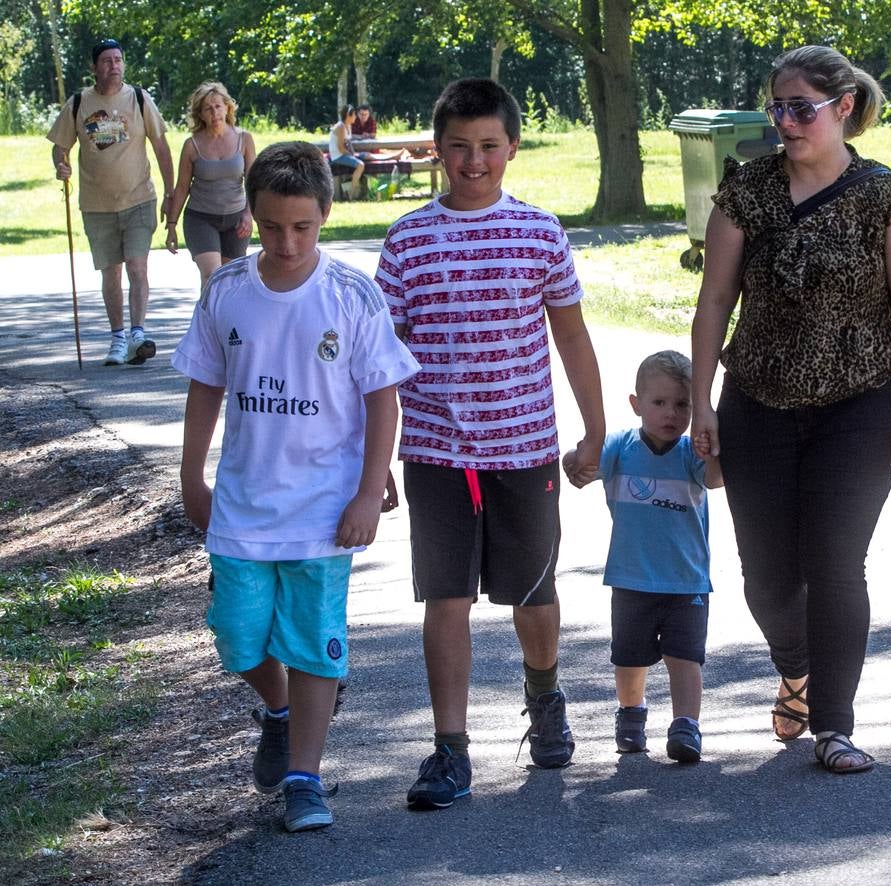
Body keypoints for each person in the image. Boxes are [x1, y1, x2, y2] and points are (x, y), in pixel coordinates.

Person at [690, 46, 891, 775]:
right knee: (765, 575)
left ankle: (835, 724)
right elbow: (714, 301)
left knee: (833, 563)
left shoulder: (887, 199)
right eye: (778, 108)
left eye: (801, 108)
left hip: (858, 405)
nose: (787, 122)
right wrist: (702, 399)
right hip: (756, 403)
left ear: (844, 109)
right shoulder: (746, 193)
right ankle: (794, 667)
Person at [173, 141, 419, 831]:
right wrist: (192, 474)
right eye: (273, 226)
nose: (287, 242)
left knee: (314, 642)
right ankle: (279, 712)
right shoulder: (226, 292)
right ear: (250, 217)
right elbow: (204, 385)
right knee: (237, 638)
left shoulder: (351, 296)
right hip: (243, 506)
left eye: (302, 227)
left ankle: (304, 778)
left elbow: (382, 397)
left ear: (326, 214)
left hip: (323, 509)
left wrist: (370, 489)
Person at [375, 77, 605, 809]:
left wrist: (594, 429)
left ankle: (544, 698)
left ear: (511, 147)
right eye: (458, 148)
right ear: (436, 150)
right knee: (445, 598)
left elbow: (569, 334)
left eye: (488, 147)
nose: (473, 162)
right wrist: (370, 459)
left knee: (532, 595)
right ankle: (450, 751)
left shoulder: (539, 231)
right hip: (437, 454)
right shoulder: (409, 238)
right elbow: (381, 358)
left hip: (525, 448)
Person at [566, 350, 723, 764]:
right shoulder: (620, 447)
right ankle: (631, 715)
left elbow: (716, 479)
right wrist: (576, 463)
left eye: (682, 404)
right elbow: (585, 465)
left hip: (686, 579)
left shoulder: (692, 452)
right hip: (631, 577)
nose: (671, 413)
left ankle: (686, 726)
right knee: (629, 657)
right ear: (636, 404)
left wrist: (713, 448)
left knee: (685, 657)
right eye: (659, 403)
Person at [47, 38, 175, 366]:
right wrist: (61, 164)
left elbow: (161, 149)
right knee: (111, 273)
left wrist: (171, 194)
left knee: (137, 266)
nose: (114, 65)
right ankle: (117, 337)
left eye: (118, 60)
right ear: (94, 68)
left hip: (139, 198)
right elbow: (60, 146)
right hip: (96, 205)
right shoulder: (78, 103)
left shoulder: (140, 99)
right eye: (106, 60)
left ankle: (137, 333)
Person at [165, 82, 256, 294]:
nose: (214, 112)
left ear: (227, 107)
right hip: (201, 218)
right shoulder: (192, 145)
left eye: (218, 106)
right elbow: (182, 188)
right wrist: (171, 225)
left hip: (236, 219)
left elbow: (254, 181)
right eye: (208, 108)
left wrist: (248, 214)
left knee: (231, 280)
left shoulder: (244, 139)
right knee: (211, 274)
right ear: (201, 115)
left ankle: (226, 324)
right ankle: (207, 323)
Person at [328, 105, 366, 200]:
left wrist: (361, 137)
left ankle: (395, 155)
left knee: (366, 155)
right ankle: (351, 193)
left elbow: (348, 140)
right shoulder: (340, 126)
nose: (355, 117)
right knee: (360, 165)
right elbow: (340, 148)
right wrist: (352, 155)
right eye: (354, 115)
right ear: (348, 116)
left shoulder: (347, 125)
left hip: (344, 154)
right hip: (338, 156)